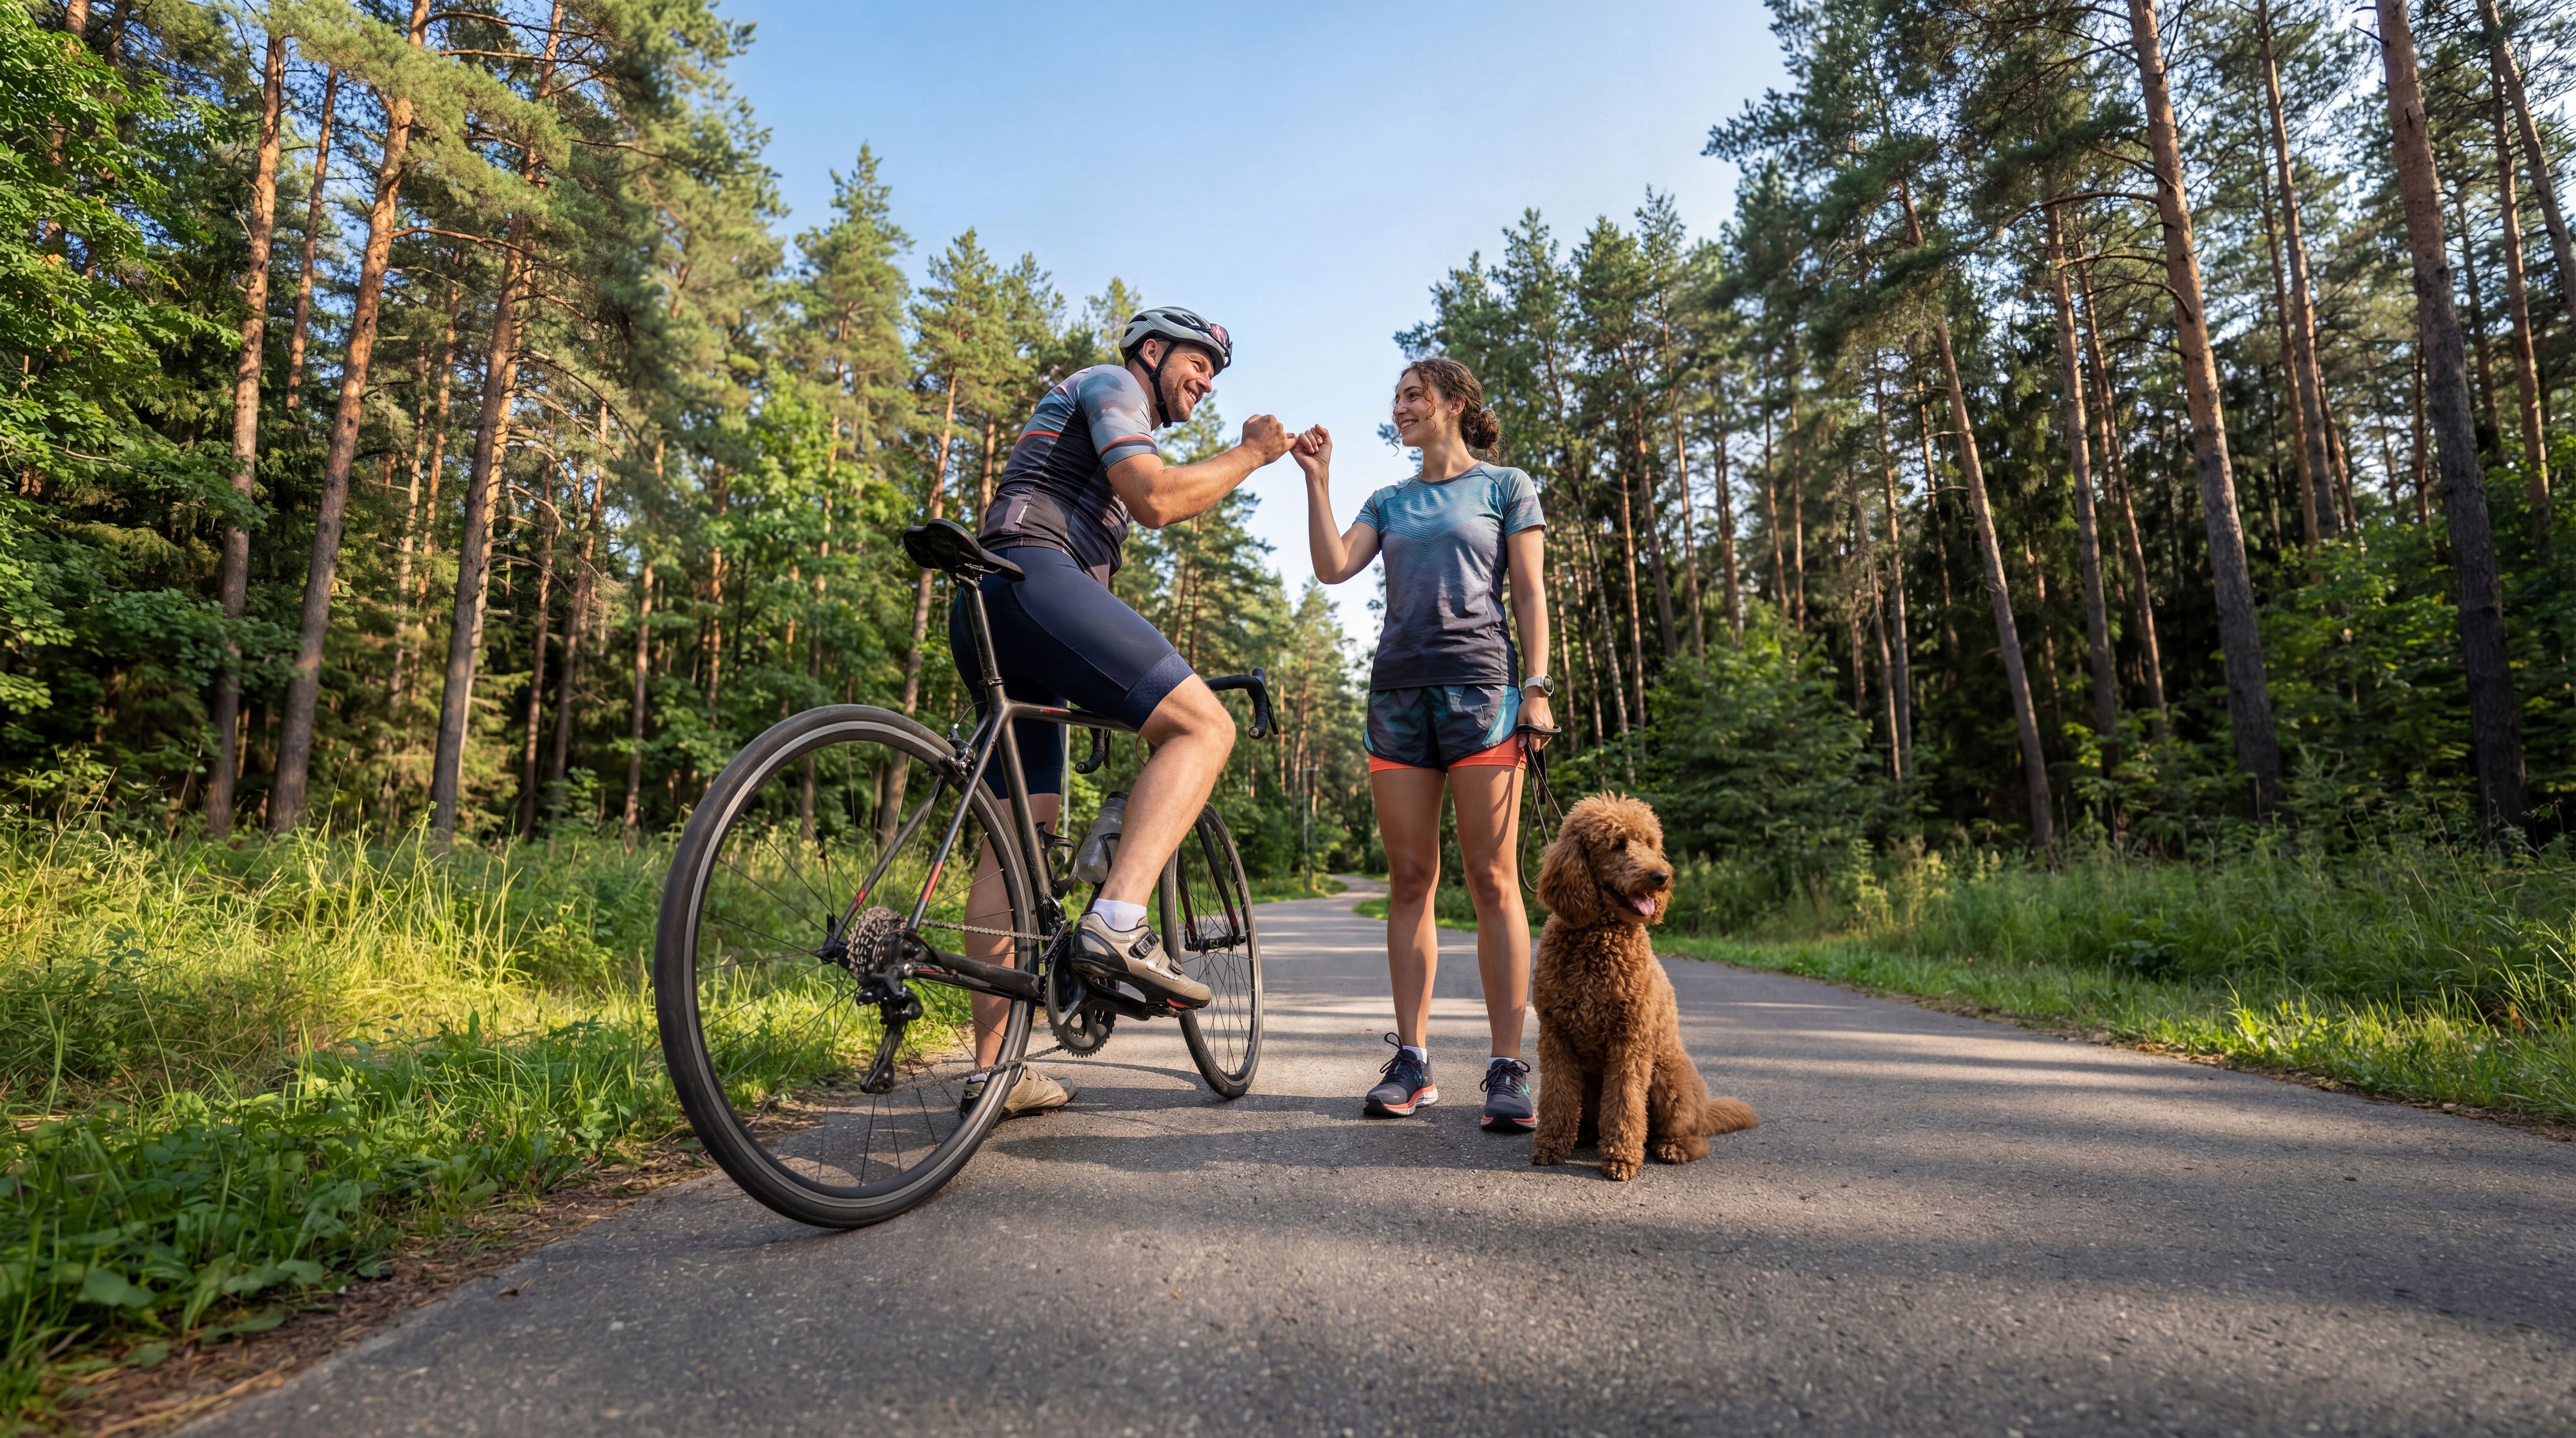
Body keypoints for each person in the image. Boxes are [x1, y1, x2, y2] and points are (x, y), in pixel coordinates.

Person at [950, 307, 1301, 1118]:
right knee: (1204, 726)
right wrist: (1252, 453)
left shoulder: (1102, 415)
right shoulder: (1114, 385)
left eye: (1215, 372)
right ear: (1152, 350)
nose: (1206, 381)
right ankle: (1115, 919)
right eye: (1198, 362)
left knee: (1016, 851)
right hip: (1034, 578)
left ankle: (996, 1073)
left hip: (988, 604)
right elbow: (1154, 498)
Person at [1295, 357, 1554, 1132]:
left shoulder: (1506, 487)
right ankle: (1411, 1061)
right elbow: (1333, 567)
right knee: (1410, 878)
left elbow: (1530, 590)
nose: (1401, 408)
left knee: (1493, 879)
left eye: (1414, 396)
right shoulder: (1389, 500)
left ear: (1454, 403)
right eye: (1398, 398)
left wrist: (1536, 689)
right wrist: (1318, 481)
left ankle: (1507, 1068)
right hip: (1399, 696)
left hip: (1482, 695)